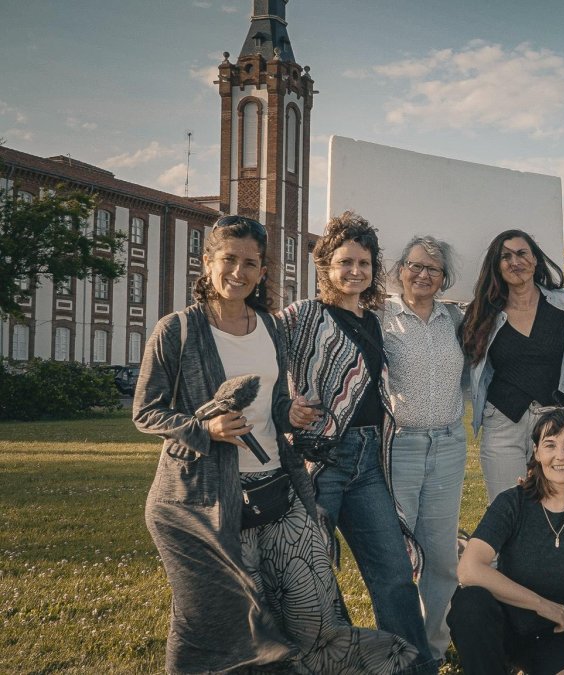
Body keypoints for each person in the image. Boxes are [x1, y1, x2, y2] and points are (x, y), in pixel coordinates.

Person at [135, 215, 417, 673]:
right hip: (206, 496)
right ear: (207, 262)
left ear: (262, 272)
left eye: (251, 264)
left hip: (278, 485)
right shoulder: (178, 329)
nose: (239, 272)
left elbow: (278, 401)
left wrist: (292, 412)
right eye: (229, 260)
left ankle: (392, 661)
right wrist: (205, 429)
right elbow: (146, 411)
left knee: (313, 608)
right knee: (224, 622)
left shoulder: (268, 327)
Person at [280, 211, 436, 673]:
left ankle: (415, 666)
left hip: (369, 461)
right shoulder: (303, 315)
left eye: (364, 263)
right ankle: (342, 664)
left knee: (393, 574)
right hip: (319, 459)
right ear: (326, 265)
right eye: (345, 261)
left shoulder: (375, 319)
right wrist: (283, 408)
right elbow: (262, 356)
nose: (355, 271)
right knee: (314, 576)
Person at [448, 408, 564, 675]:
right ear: (537, 453)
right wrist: (543, 605)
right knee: (470, 602)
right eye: (550, 445)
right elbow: (469, 570)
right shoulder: (513, 501)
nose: (560, 456)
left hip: (555, 632)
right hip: (502, 625)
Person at [380, 235, 468, 662]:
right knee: (398, 557)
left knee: (442, 557)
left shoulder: (454, 319)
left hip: (449, 444)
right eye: (414, 265)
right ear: (400, 271)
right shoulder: (381, 316)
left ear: (444, 278)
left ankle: (432, 650)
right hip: (401, 447)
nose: (422, 274)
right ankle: (400, 649)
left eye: (432, 269)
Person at [460, 229, 564, 503]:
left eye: (521, 253)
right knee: (507, 508)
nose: (514, 261)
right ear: (497, 266)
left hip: (555, 421)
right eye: (505, 256)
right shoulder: (483, 312)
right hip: (502, 422)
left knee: (556, 505)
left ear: (536, 260)